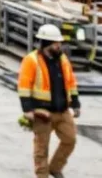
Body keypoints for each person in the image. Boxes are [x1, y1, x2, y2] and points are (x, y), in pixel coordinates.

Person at [18, 24, 80, 178]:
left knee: (70, 139)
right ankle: (42, 175)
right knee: (41, 148)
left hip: (62, 110)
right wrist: (27, 110)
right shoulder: (31, 60)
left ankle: (55, 168)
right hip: (42, 113)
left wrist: (75, 103)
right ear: (46, 43)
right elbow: (24, 86)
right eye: (56, 43)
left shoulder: (63, 59)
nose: (59, 45)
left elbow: (71, 82)